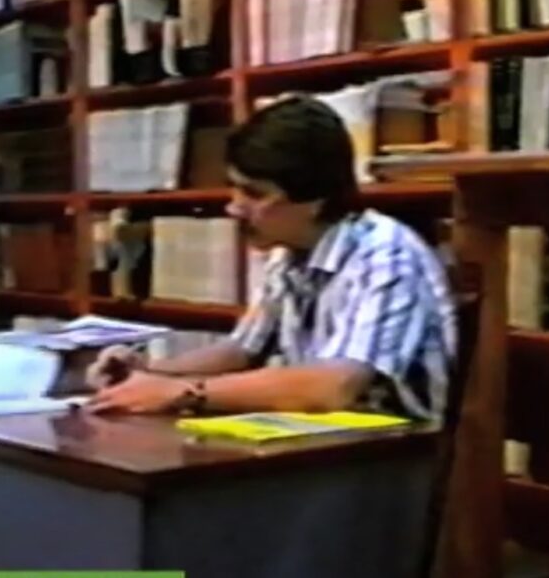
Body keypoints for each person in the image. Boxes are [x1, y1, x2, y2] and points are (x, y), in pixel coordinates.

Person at [86, 94, 457, 422]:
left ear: (315, 200)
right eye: (235, 188)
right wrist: (150, 374)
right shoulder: (290, 252)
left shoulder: (385, 256)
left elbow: (335, 387)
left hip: (397, 460)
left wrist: (186, 393)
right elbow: (241, 350)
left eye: (254, 193)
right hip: (322, 443)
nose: (234, 208)